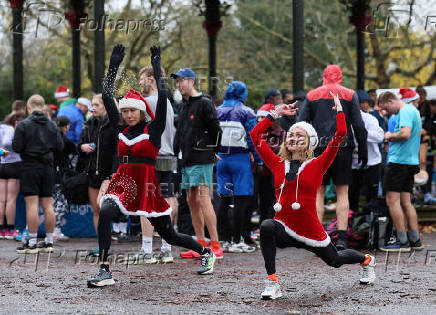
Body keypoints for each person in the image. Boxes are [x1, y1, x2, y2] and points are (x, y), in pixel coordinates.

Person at [87, 45, 216, 287]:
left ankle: (205, 252)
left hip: (147, 185)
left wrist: (157, 65)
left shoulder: (153, 130)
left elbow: (165, 95)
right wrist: (114, 65)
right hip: (123, 182)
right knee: (104, 211)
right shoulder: (120, 129)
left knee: (169, 234)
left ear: (141, 111)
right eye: (124, 111)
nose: (127, 115)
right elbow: (106, 96)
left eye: (132, 111)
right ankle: (105, 270)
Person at [250, 94, 376, 300]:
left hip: (311, 232)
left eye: (300, 135)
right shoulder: (277, 163)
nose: (293, 138)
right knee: (266, 226)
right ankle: (272, 282)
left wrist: (341, 112)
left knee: (335, 260)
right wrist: (275, 114)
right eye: (291, 134)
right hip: (285, 228)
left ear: (309, 142)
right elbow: (255, 136)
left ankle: (366, 260)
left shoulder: (318, 164)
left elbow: (340, 134)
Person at [297, 65, 368, 250]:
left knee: (318, 192)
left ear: (324, 76)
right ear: (340, 76)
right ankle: (342, 238)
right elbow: (359, 126)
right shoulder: (350, 94)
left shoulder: (312, 95)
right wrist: (363, 151)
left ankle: (316, 237)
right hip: (343, 147)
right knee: (342, 192)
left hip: (318, 148)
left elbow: (301, 123)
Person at [125, 63, 178, 264]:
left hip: (151, 158)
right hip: (168, 156)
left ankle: (147, 249)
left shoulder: (146, 102)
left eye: (142, 79)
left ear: (152, 79)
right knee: (167, 202)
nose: (140, 83)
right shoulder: (168, 103)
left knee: (145, 203)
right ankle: (166, 248)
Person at [172, 68, 223, 259]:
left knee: (203, 200)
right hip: (186, 160)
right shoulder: (183, 105)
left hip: (202, 159)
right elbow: (181, 132)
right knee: (191, 201)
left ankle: (216, 244)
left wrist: (214, 151)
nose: (179, 84)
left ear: (192, 81)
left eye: (182, 80)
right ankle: (200, 245)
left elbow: (216, 130)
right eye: (177, 82)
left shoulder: (204, 103)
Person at [13, 95, 64, 253]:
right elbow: (60, 146)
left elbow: (16, 147)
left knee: (32, 205)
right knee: (48, 205)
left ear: (29, 108)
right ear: (43, 107)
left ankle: (32, 242)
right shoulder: (52, 125)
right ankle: (49, 242)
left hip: (30, 167)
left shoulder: (23, 125)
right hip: (47, 168)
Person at [378, 91, 423, 252]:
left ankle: (402, 241)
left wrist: (390, 135)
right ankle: (415, 240)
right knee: (406, 202)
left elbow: (405, 133)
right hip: (411, 162)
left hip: (398, 162)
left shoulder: (404, 111)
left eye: (386, 109)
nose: (386, 113)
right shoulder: (414, 110)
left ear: (390, 101)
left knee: (392, 201)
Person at [216, 81, 257, 253]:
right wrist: (258, 158)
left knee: (224, 200)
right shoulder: (246, 112)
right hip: (240, 159)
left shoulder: (216, 111)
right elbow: (253, 137)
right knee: (242, 201)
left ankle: (224, 239)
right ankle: (239, 239)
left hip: (221, 159)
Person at [77, 94, 118, 256]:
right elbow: (78, 146)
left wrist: (114, 172)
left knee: (104, 209)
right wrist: (82, 147)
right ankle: (101, 244)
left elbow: (117, 150)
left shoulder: (113, 124)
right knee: (95, 209)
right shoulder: (89, 123)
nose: (92, 108)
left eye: (96, 105)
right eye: (92, 105)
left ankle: (107, 244)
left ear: (106, 107)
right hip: (92, 172)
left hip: (107, 173)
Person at [349, 91, 385, 211]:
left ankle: (370, 222)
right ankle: (352, 221)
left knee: (371, 196)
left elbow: (380, 137)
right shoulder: (344, 119)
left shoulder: (370, 119)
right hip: (353, 165)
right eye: (360, 103)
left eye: (366, 103)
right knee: (352, 195)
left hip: (371, 163)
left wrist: (361, 132)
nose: (363, 105)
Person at [0, 113, 25, 239]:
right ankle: (10, 229)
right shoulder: (15, 131)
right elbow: (9, 144)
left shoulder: (2, 129)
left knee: (1, 200)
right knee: (11, 200)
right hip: (14, 165)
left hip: (1, 165)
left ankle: (1, 230)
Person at [52, 116, 77, 241]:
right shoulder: (65, 141)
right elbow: (76, 151)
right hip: (61, 175)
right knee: (61, 203)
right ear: (66, 126)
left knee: (52, 203)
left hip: (50, 174)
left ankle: (50, 231)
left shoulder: (50, 138)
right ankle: (55, 230)